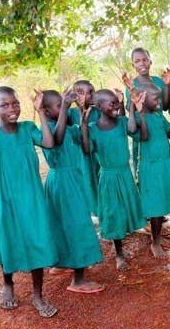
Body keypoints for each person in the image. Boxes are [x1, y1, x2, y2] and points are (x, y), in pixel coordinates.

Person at [0, 86, 59, 318]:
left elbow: (49, 144)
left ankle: (37, 294)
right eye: (4, 105)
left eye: (15, 103)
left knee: (37, 238)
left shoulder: (27, 128)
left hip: (30, 196)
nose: (12, 108)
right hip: (4, 197)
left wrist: (40, 112)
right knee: (6, 237)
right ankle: (8, 284)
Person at [41, 89, 104, 293]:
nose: (64, 109)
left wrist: (83, 120)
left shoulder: (67, 128)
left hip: (68, 180)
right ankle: (78, 280)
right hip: (63, 181)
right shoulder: (48, 129)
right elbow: (56, 141)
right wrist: (66, 108)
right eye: (59, 106)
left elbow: (83, 143)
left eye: (64, 104)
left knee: (63, 223)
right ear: (46, 111)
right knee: (77, 224)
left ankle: (61, 262)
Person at [81, 89, 145, 271]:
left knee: (126, 208)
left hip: (125, 174)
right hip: (108, 176)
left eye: (117, 102)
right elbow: (87, 150)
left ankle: (122, 244)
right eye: (112, 104)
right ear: (99, 106)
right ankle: (118, 253)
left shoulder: (123, 121)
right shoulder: (93, 128)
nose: (116, 106)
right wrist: (84, 124)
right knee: (113, 212)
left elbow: (133, 130)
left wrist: (131, 105)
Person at [128, 83, 170, 258]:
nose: (160, 102)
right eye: (156, 98)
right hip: (150, 165)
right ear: (144, 100)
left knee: (162, 202)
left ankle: (158, 237)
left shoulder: (158, 116)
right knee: (155, 204)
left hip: (164, 164)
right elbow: (141, 135)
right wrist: (135, 109)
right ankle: (155, 242)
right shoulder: (138, 119)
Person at [122, 48, 170, 176]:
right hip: (142, 126)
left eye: (145, 60)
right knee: (145, 164)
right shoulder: (132, 84)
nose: (142, 63)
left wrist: (167, 86)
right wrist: (132, 90)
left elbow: (165, 107)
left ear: (151, 62)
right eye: (137, 61)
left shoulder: (158, 81)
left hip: (159, 126)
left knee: (164, 163)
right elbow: (130, 109)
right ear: (133, 65)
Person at [66, 79, 101, 215]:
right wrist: (81, 112)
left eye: (94, 91)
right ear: (76, 97)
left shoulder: (98, 111)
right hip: (81, 156)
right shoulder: (70, 114)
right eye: (89, 92)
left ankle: (103, 211)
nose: (93, 95)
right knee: (86, 182)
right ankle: (91, 211)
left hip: (98, 153)